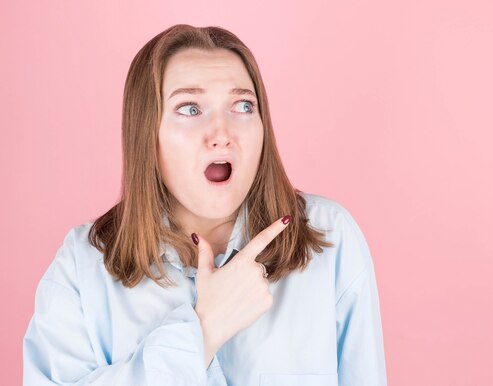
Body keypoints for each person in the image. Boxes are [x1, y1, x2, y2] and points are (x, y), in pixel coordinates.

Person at [23, 24, 387, 386]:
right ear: (147, 132)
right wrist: (202, 332)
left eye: (243, 105)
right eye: (190, 108)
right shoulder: (81, 266)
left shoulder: (331, 239)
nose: (221, 134)